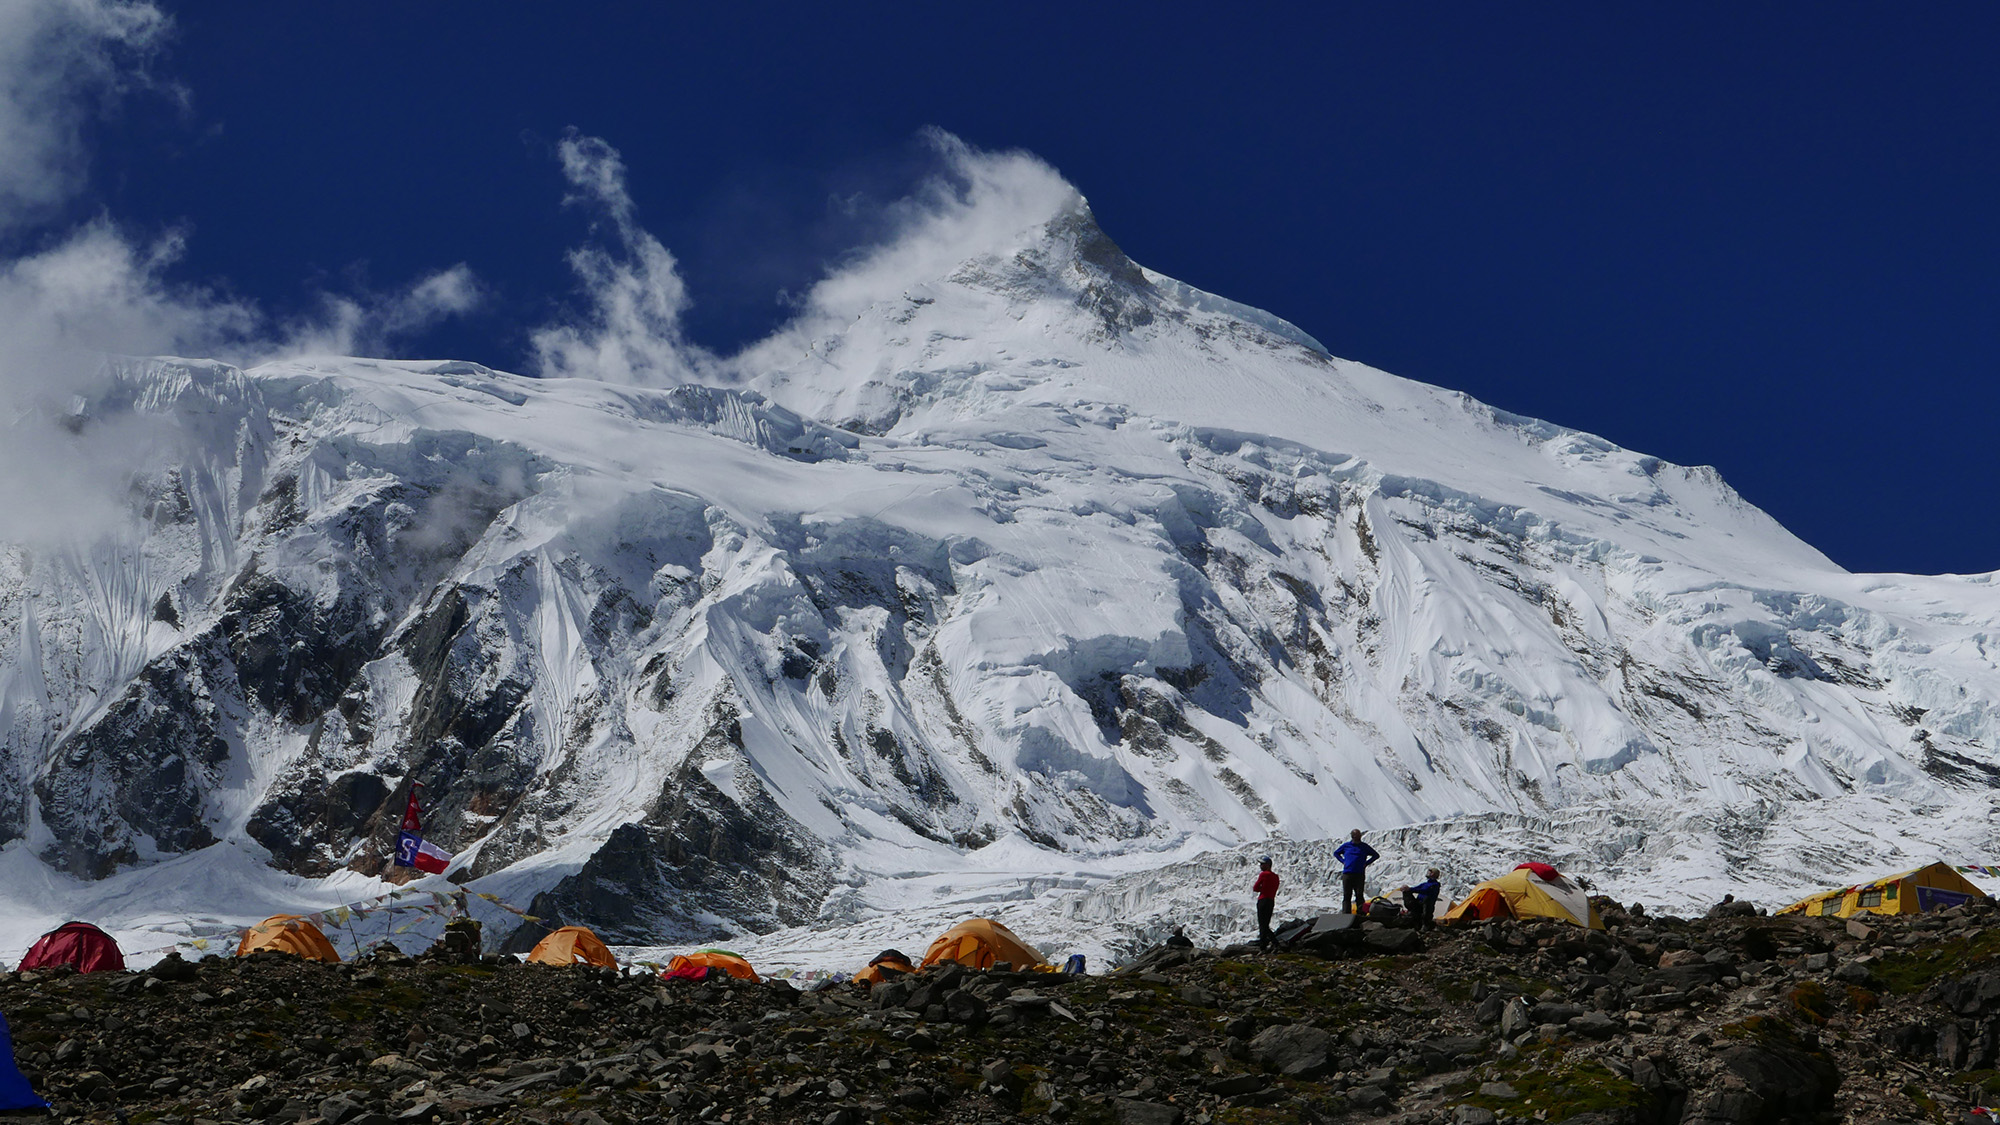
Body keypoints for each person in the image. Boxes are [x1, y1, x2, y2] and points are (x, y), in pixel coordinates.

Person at [1334, 829, 1379, 914]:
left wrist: (1366, 863)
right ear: (1352, 836)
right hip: (1347, 873)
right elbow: (1336, 853)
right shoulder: (1346, 846)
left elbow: (1376, 855)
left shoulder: (1364, 846)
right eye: (1356, 835)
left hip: (1359, 874)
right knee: (1347, 895)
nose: (1358, 837)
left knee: (1359, 895)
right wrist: (1343, 861)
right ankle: (1346, 913)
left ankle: (1361, 912)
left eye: (1359, 835)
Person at [1252, 857, 1280, 950]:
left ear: (1267, 865)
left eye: (1262, 864)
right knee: (1266, 923)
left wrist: (1262, 889)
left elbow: (1255, 888)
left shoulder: (1263, 874)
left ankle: (1266, 945)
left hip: (1263, 900)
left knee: (1262, 924)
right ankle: (1272, 943)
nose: (1260, 866)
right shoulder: (1276, 876)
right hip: (1271, 901)